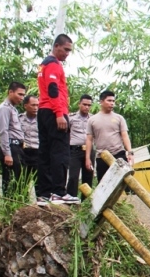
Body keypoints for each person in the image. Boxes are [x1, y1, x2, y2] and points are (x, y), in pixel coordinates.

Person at [37, 33, 80, 205]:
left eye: (70, 51)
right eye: (65, 49)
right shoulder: (53, 64)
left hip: (43, 111)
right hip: (54, 111)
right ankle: (59, 192)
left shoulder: (43, 64)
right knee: (60, 152)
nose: (67, 54)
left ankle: (44, 193)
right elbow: (53, 89)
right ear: (56, 46)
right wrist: (59, 113)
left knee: (46, 152)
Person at [85, 90, 133, 183]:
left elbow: (125, 136)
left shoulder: (119, 118)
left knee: (125, 181)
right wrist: (87, 158)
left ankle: (128, 198)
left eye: (113, 101)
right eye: (109, 101)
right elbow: (89, 140)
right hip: (101, 156)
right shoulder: (92, 120)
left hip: (118, 154)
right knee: (103, 184)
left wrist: (130, 153)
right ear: (101, 102)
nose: (112, 103)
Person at [0, 82, 27, 197]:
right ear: (10, 92)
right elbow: (3, 132)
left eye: (23, 95)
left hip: (17, 147)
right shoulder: (4, 109)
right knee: (11, 180)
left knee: (20, 180)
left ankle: (18, 207)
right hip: (10, 147)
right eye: (20, 94)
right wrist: (7, 154)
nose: (22, 98)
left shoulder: (13, 109)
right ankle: (10, 208)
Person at [67, 94, 95, 198]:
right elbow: (66, 133)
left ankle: (86, 203)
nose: (87, 107)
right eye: (84, 104)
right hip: (75, 150)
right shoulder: (71, 117)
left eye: (89, 105)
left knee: (88, 176)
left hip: (89, 150)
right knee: (73, 177)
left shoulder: (93, 118)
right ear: (79, 104)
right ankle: (71, 199)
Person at [19, 94, 40, 199]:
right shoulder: (19, 119)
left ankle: (41, 206)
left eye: (37, 105)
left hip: (38, 153)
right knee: (22, 181)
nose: (35, 108)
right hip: (24, 152)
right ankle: (22, 204)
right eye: (33, 105)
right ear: (25, 106)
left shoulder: (42, 119)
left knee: (39, 182)